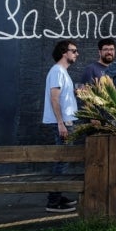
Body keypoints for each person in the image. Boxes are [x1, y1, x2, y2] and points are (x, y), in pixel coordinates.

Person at [42, 40, 80, 213]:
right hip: (62, 123)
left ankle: (58, 194)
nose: (76, 54)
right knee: (61, 161)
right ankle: (53, 201)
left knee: (63, 161)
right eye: (74, 51)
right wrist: (61, 123)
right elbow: (54, 98)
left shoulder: (62, 72)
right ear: (64, 52)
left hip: (66, 122)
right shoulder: (57, 71)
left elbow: (61, 96)